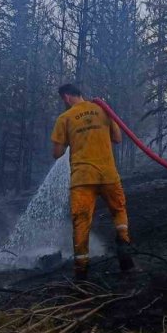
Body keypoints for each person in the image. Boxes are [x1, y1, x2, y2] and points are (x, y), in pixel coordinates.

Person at [51, 83, 135, 279]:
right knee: (119, 210)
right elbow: (117, 138)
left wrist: (73, 139)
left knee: (81, 222)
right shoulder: (103, 109)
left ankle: (81, 271)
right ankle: (123, 247)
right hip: (108, 175)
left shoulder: (65, 118)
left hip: (82, 179)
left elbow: (57, 153)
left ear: (66, 97)